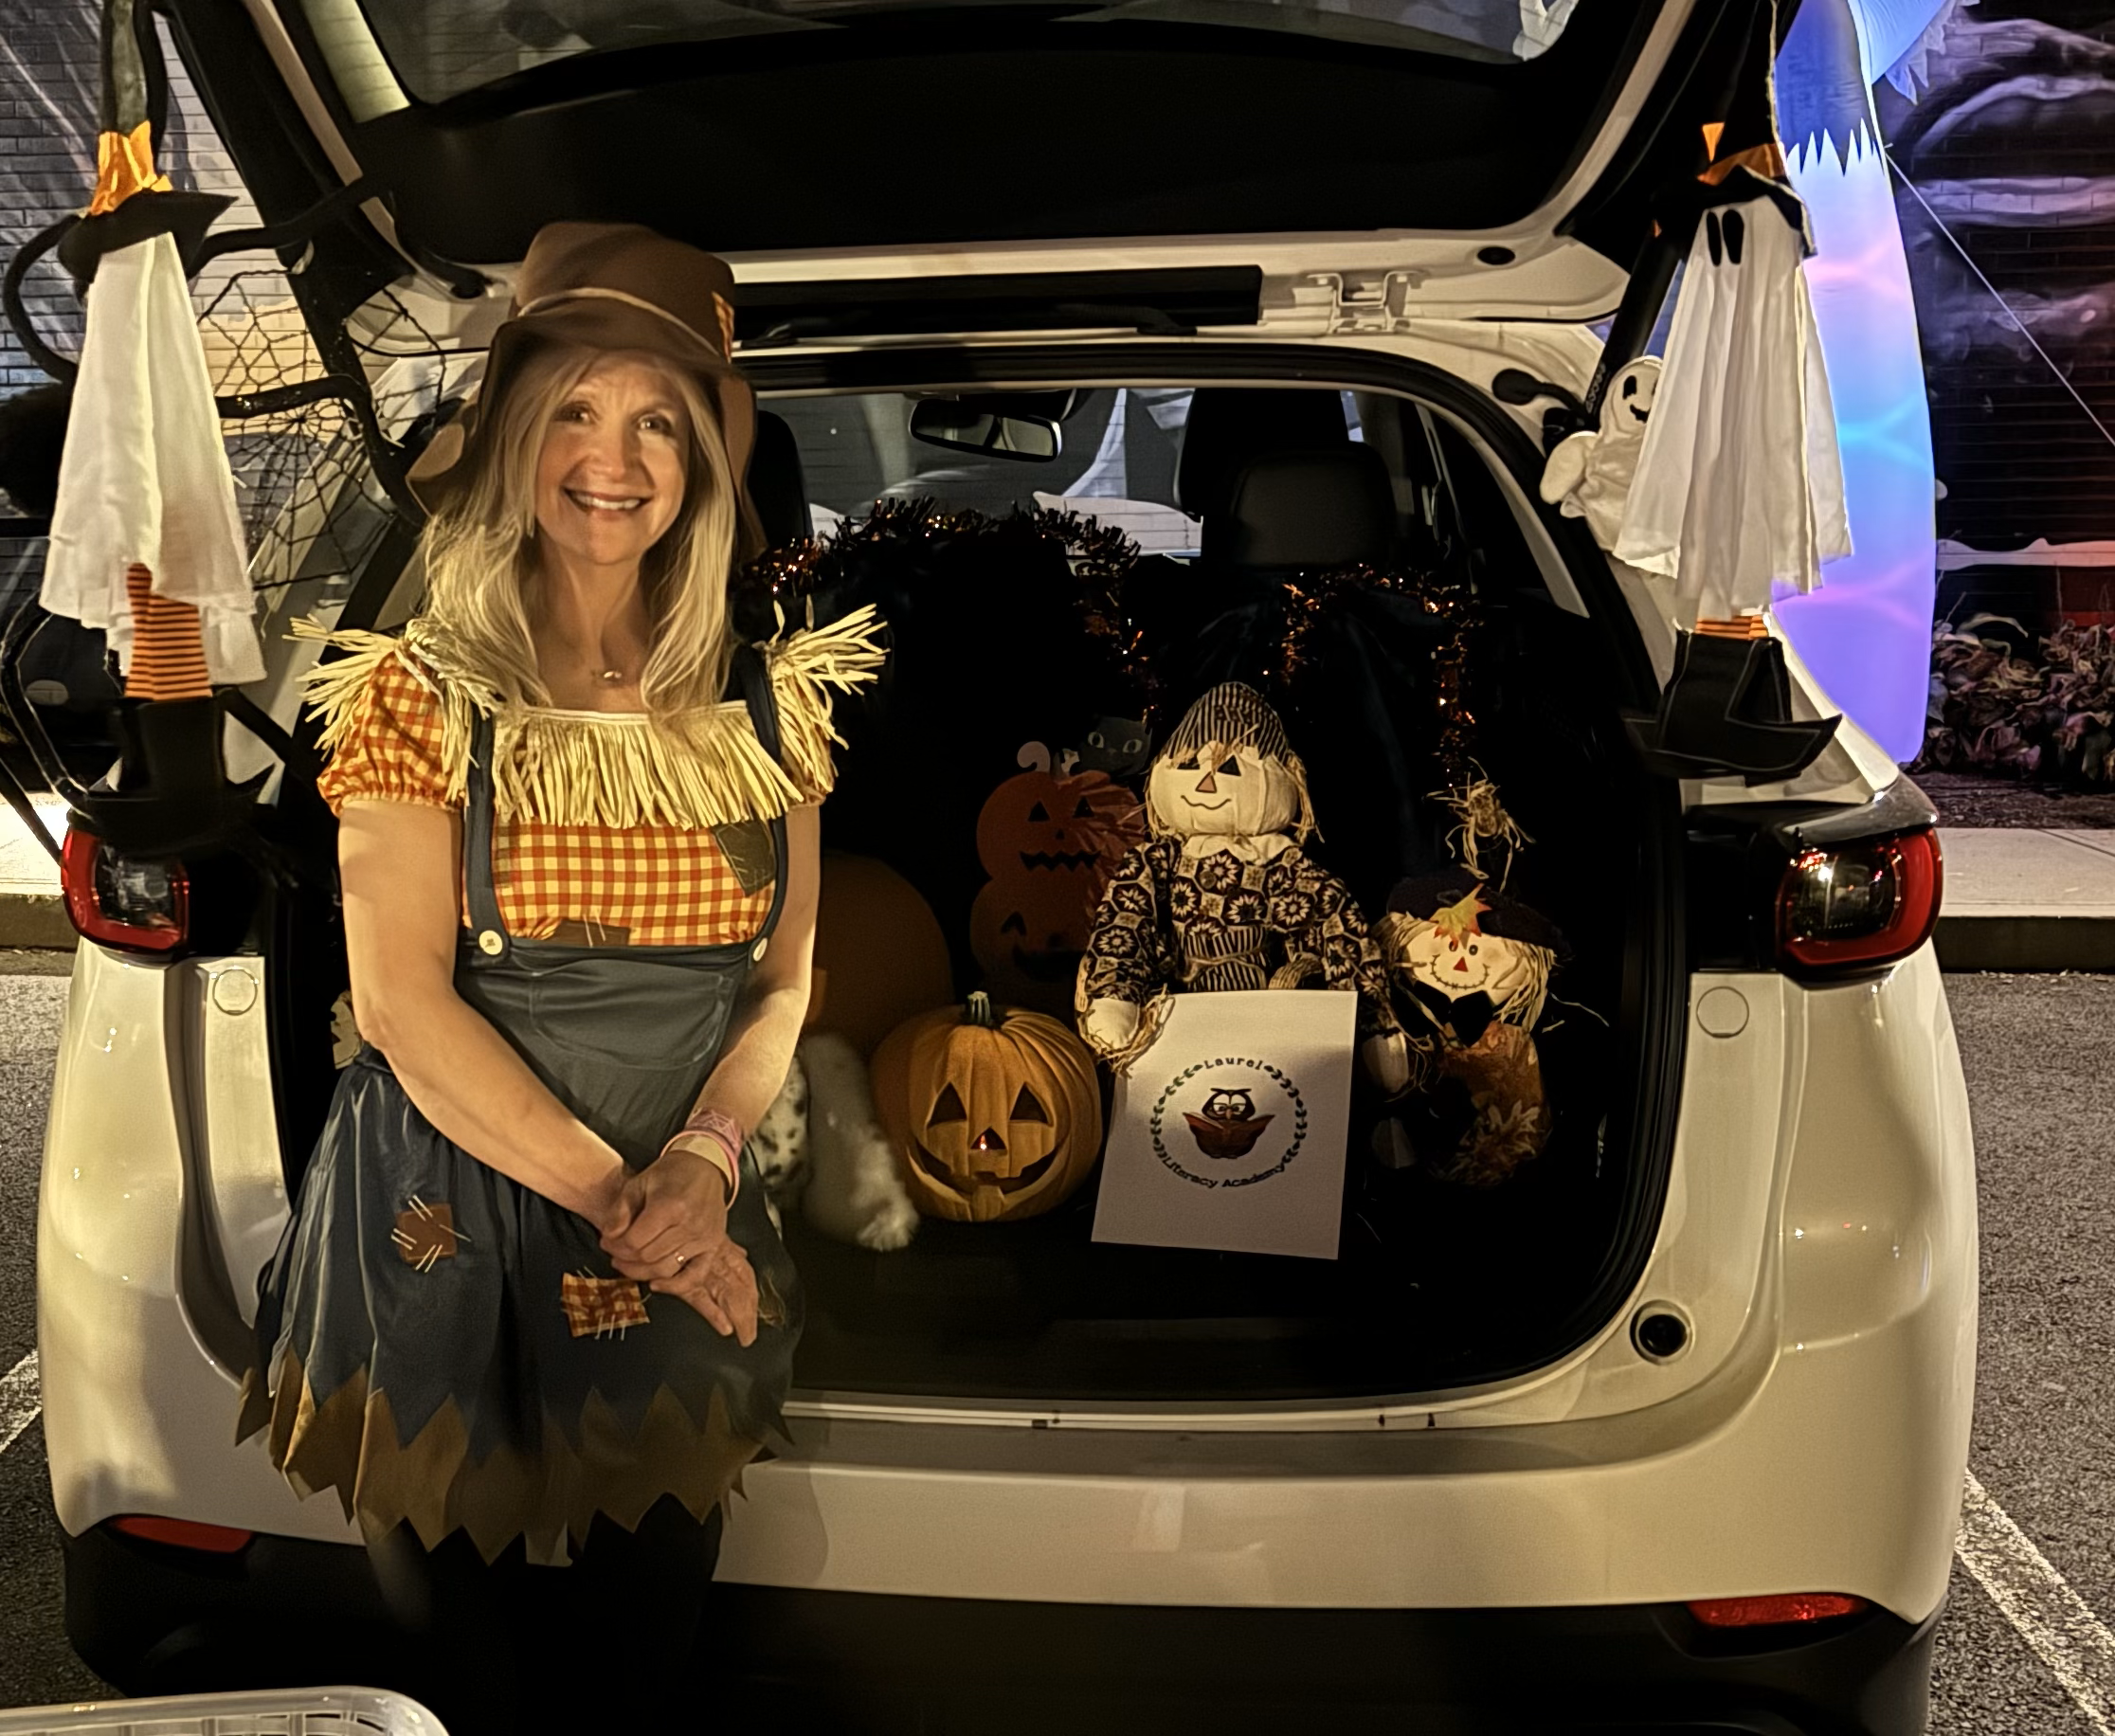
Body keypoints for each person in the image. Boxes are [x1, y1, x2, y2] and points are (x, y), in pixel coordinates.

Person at [237, 223, 882, 1730]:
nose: (617, 455)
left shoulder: (768, 697)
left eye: (660, 418)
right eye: (578, 410)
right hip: (445, 1224)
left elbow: (785, 979)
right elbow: (401, 1007)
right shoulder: (418, 689)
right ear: (519, 432)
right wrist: (631, 1206)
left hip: (680, 1200)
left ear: (704, 464)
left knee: (644, 1645)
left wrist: (708, 1171)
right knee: (468, 1672)